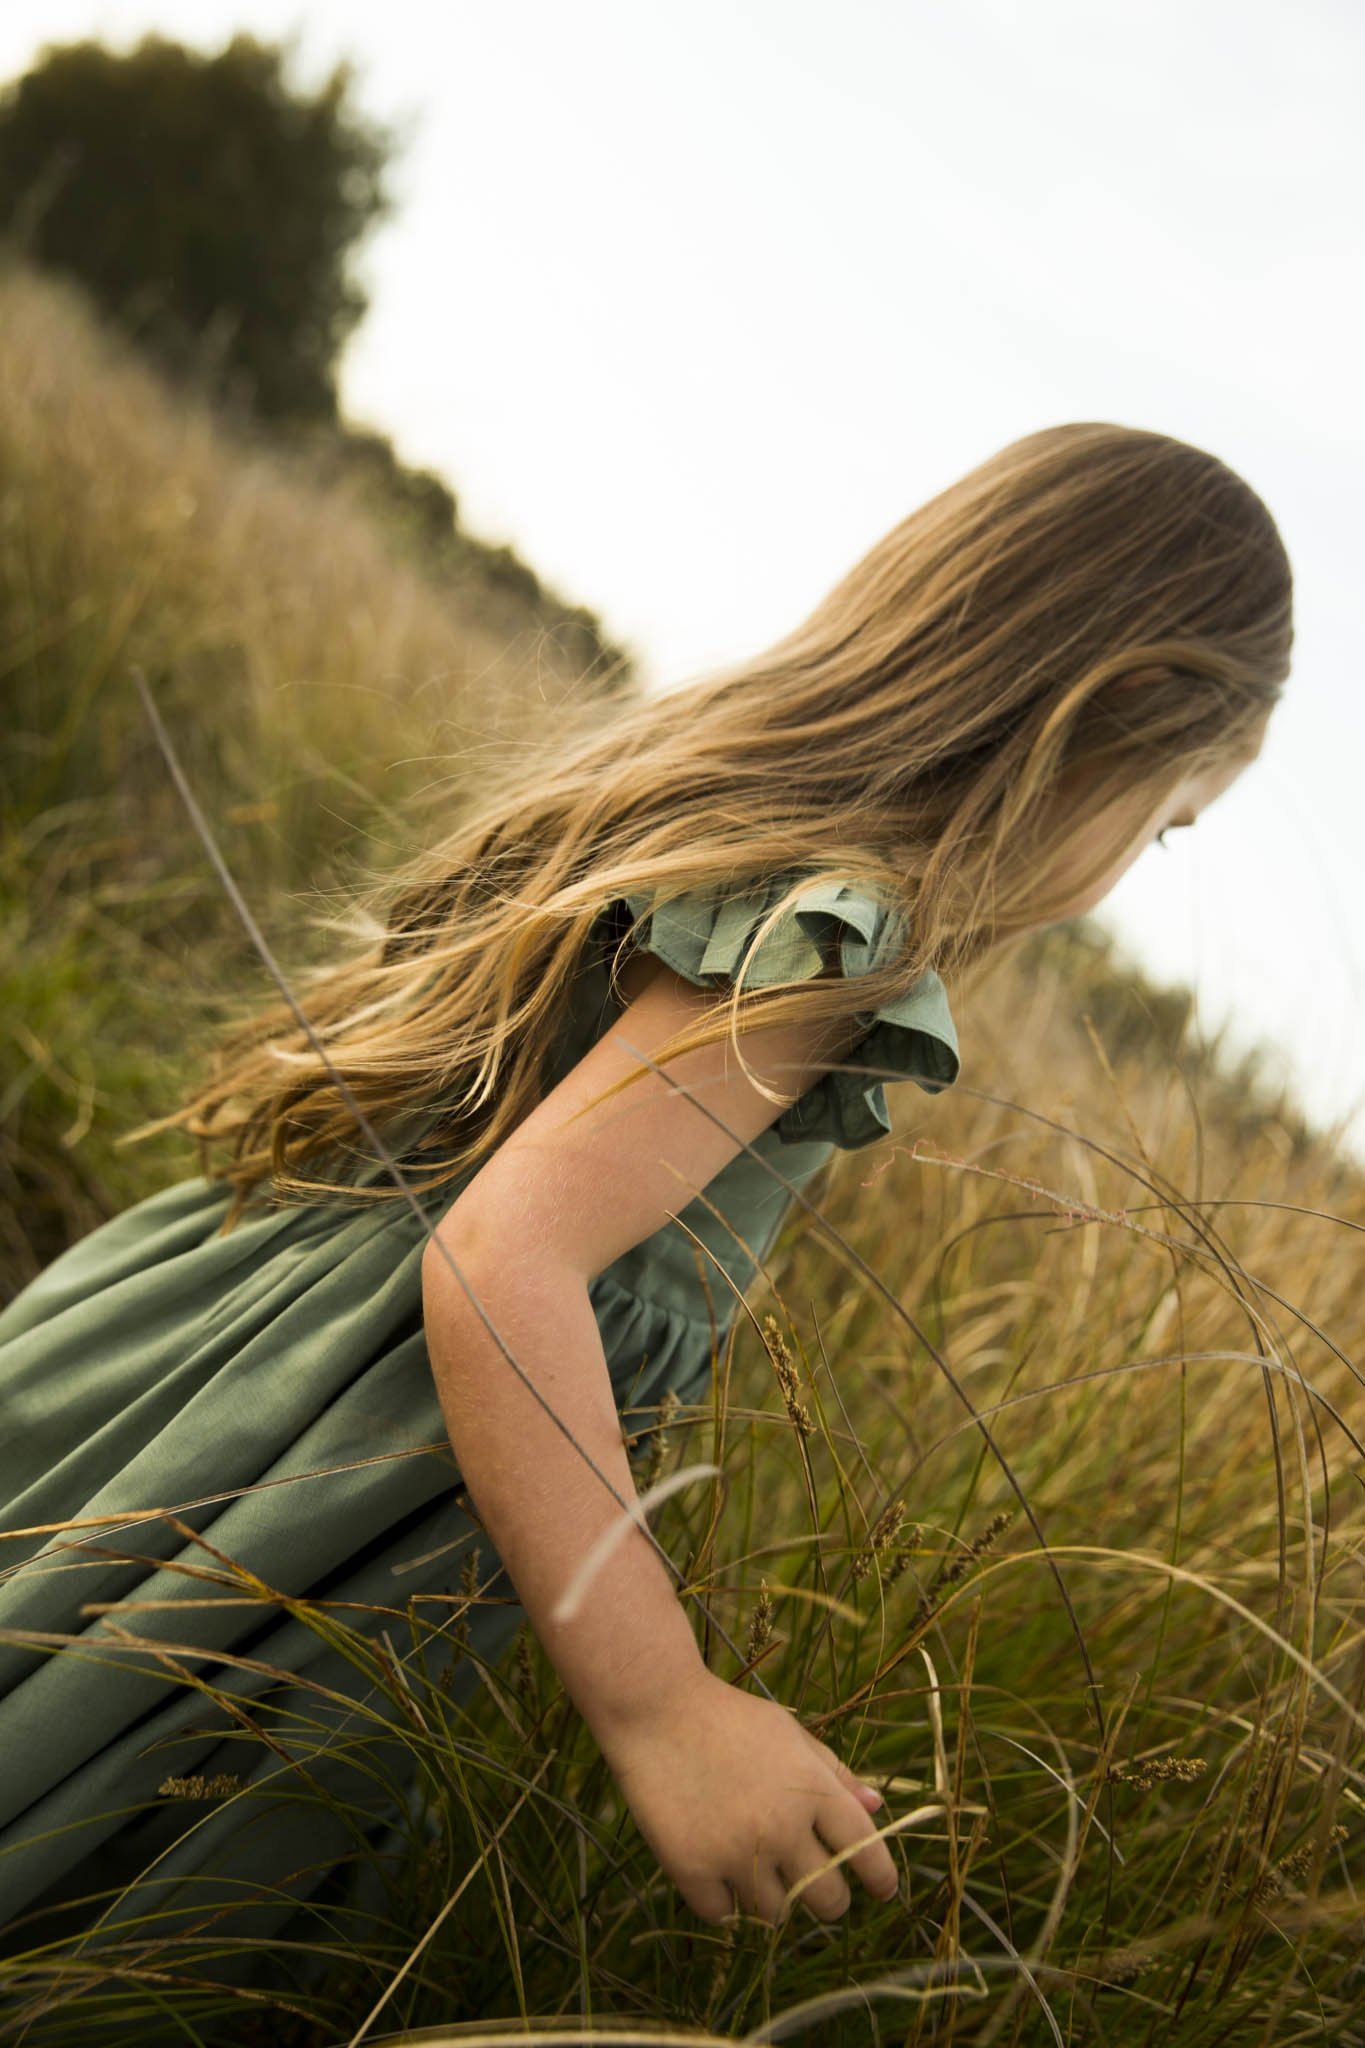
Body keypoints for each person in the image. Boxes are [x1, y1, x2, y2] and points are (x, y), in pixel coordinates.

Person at [0, 422, 1290, 1995]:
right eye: (1162, 821)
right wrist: (663, 1704)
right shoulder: (839, 931)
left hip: (194, 1347)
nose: (1120, 872)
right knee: (92, 1866)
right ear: (1109, 719)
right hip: (323, 1459)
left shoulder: (707, 799)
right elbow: (503, 1260)